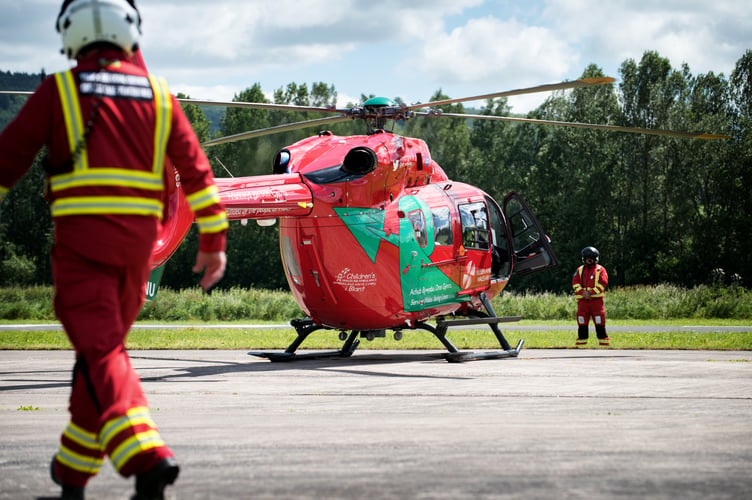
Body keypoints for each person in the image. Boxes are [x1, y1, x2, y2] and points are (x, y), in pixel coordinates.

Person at [0, 1, 228, 498]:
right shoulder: (158, 96)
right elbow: (198, 176)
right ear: (131, 32)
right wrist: (213, 244)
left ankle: (145, 457)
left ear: (70, 33)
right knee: (102, 355)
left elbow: (7, 160)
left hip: (82, 250)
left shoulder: (59, 90)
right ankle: (72, 470)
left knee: (100, 351)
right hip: (138, 253)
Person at [572, 246, 610, 347]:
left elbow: (603, 283)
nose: (589, 260)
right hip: (582, 302)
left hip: (596, 302)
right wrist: (582, 292)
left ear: (596, 258)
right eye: (587, 258)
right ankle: (581, 343)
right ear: (584, 258)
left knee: (599, 321)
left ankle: (603, 342)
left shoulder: (600, 270)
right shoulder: (579, 270)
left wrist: (590, 293)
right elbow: (575, 283)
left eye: (591, 258)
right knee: (582, 320)